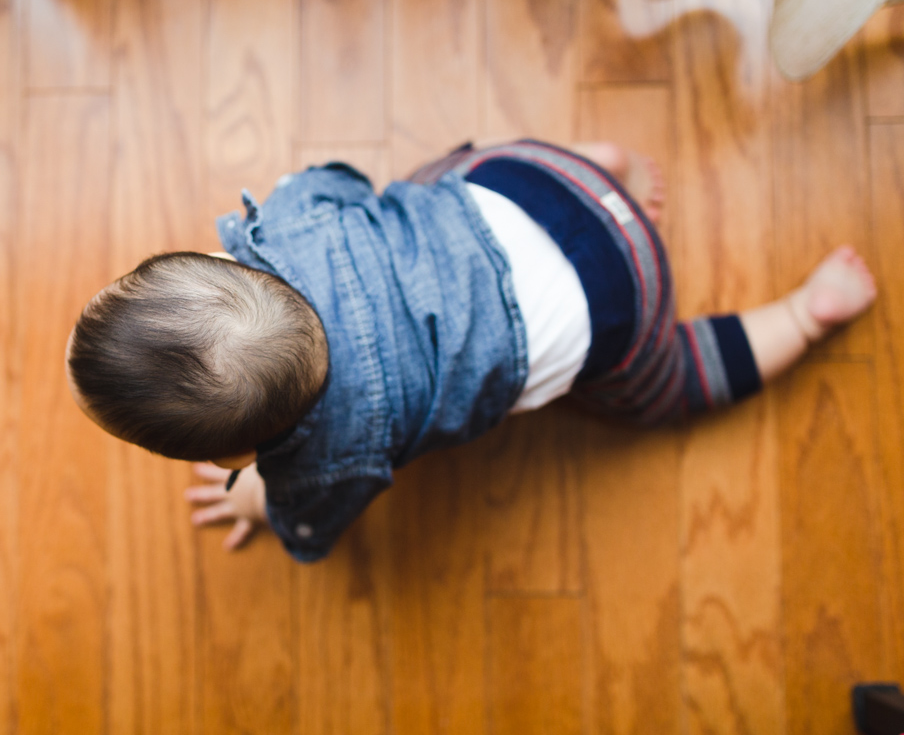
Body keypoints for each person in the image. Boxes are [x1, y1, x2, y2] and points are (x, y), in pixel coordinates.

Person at [65, 140, 877, 562]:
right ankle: (606, 167)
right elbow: (339, 178)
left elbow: (305, 515)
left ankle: (803, 317)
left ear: (244, 451)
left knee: (665, 384)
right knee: (435, 181)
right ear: (220, 259)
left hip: (625, 302)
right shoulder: (287, 218)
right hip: (536, 181)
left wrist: (260, 503)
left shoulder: (320, 467)